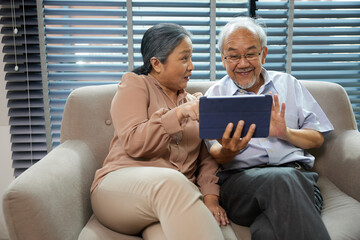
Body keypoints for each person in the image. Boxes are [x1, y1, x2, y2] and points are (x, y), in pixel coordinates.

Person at [90, 23, 229, 240]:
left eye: (191, 58)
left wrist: (211, 198)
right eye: (184, 58)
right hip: (119, 192)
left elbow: (206, 160)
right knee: (172, 181)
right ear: (156, 63)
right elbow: (135, 143)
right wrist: (181, 113)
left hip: (168, 200)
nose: (191, 66)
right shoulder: (135, 85)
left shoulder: (194, 102)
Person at [204, 16, 334, 240]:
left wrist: (286, 133)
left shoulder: (288, 84)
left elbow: (317, 139)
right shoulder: (214, 96)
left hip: (299, 179)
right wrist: (230, 150)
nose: (242, 63)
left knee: (268, 231)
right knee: (281, 179)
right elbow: (215, 152)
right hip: (241, 186)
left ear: (263, 54)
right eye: (233, 56)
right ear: (223, 59)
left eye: (250, 54)